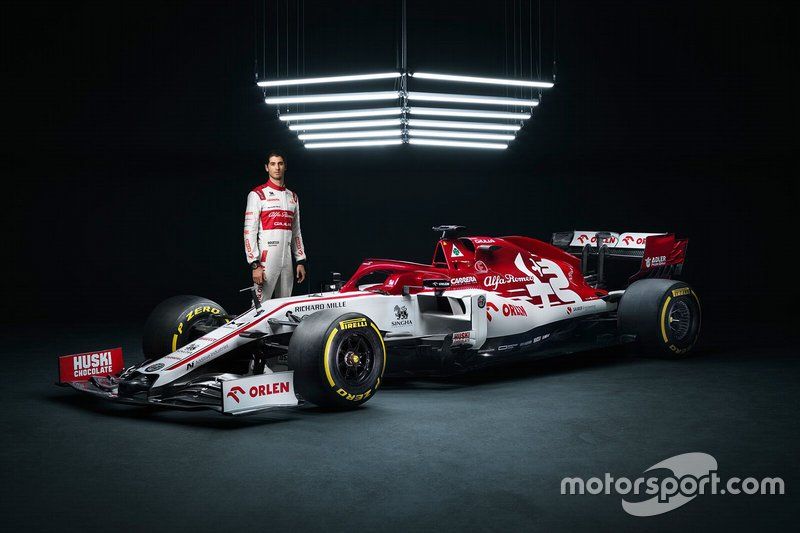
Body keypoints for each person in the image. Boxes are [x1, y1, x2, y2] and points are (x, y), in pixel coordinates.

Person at [244, 151, 307, 301]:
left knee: (283, 306)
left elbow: (296, 231)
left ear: (285, 166)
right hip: (266, 259)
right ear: (267, 167)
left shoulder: (293, 197)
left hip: (287, 261)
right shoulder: (257, 194)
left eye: (280, 163)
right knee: (259, 307)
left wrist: (300, 260)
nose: (277, 167)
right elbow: (249, 232)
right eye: (272, 164)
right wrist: (254, 264)